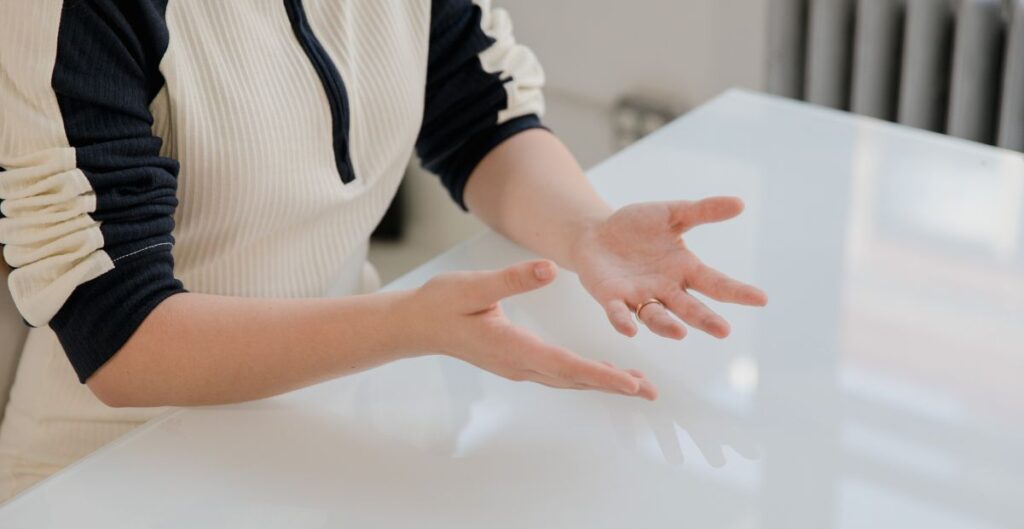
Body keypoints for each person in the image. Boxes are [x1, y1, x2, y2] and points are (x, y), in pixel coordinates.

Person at [0, 0, 767, 500]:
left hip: (328, 420)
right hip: (111, 471)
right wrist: (406, 324)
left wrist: (584, 230)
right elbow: (121, 334)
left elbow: (480, 117)